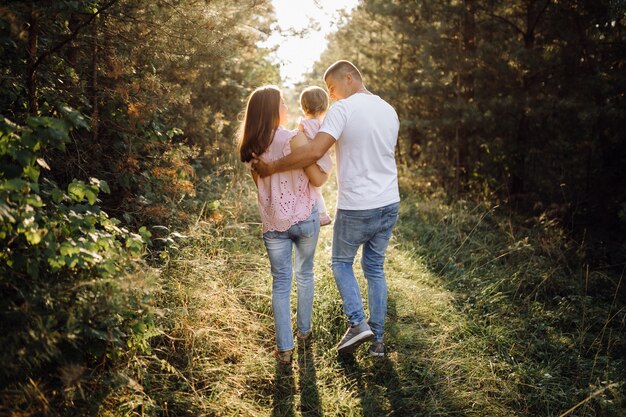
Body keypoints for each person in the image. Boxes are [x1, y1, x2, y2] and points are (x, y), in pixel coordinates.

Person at [252, 61, 400, 358]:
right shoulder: (388, 109)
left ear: (349, 77)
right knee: (374, 268)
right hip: (389, 202)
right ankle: (379, 343)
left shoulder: (343, 110)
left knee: (341, 264)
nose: (331, 96)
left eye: (332, 88)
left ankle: (358, 323)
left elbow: (314, 151)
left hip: (358, 205)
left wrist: (272, 167)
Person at [238, 85, 329, 365]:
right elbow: (318, 179)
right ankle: (304, 332)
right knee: (305, 275)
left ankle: (285, 349)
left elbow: (263, 189)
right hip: (304, 218)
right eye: (282, 104)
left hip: (273, 224)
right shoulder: (293, 139)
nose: (287, 108)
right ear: (272, 110)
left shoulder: (251, 148)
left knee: (280, 284)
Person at [297, 86, 333, 226]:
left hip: (313, 160)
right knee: (315, 189)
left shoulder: (303, 124)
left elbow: (295, 138)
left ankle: (321, 214)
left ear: (303, 106)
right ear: (325, 106)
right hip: (324, 161)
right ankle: (319, 213)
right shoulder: (325, 123)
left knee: (312, 189)